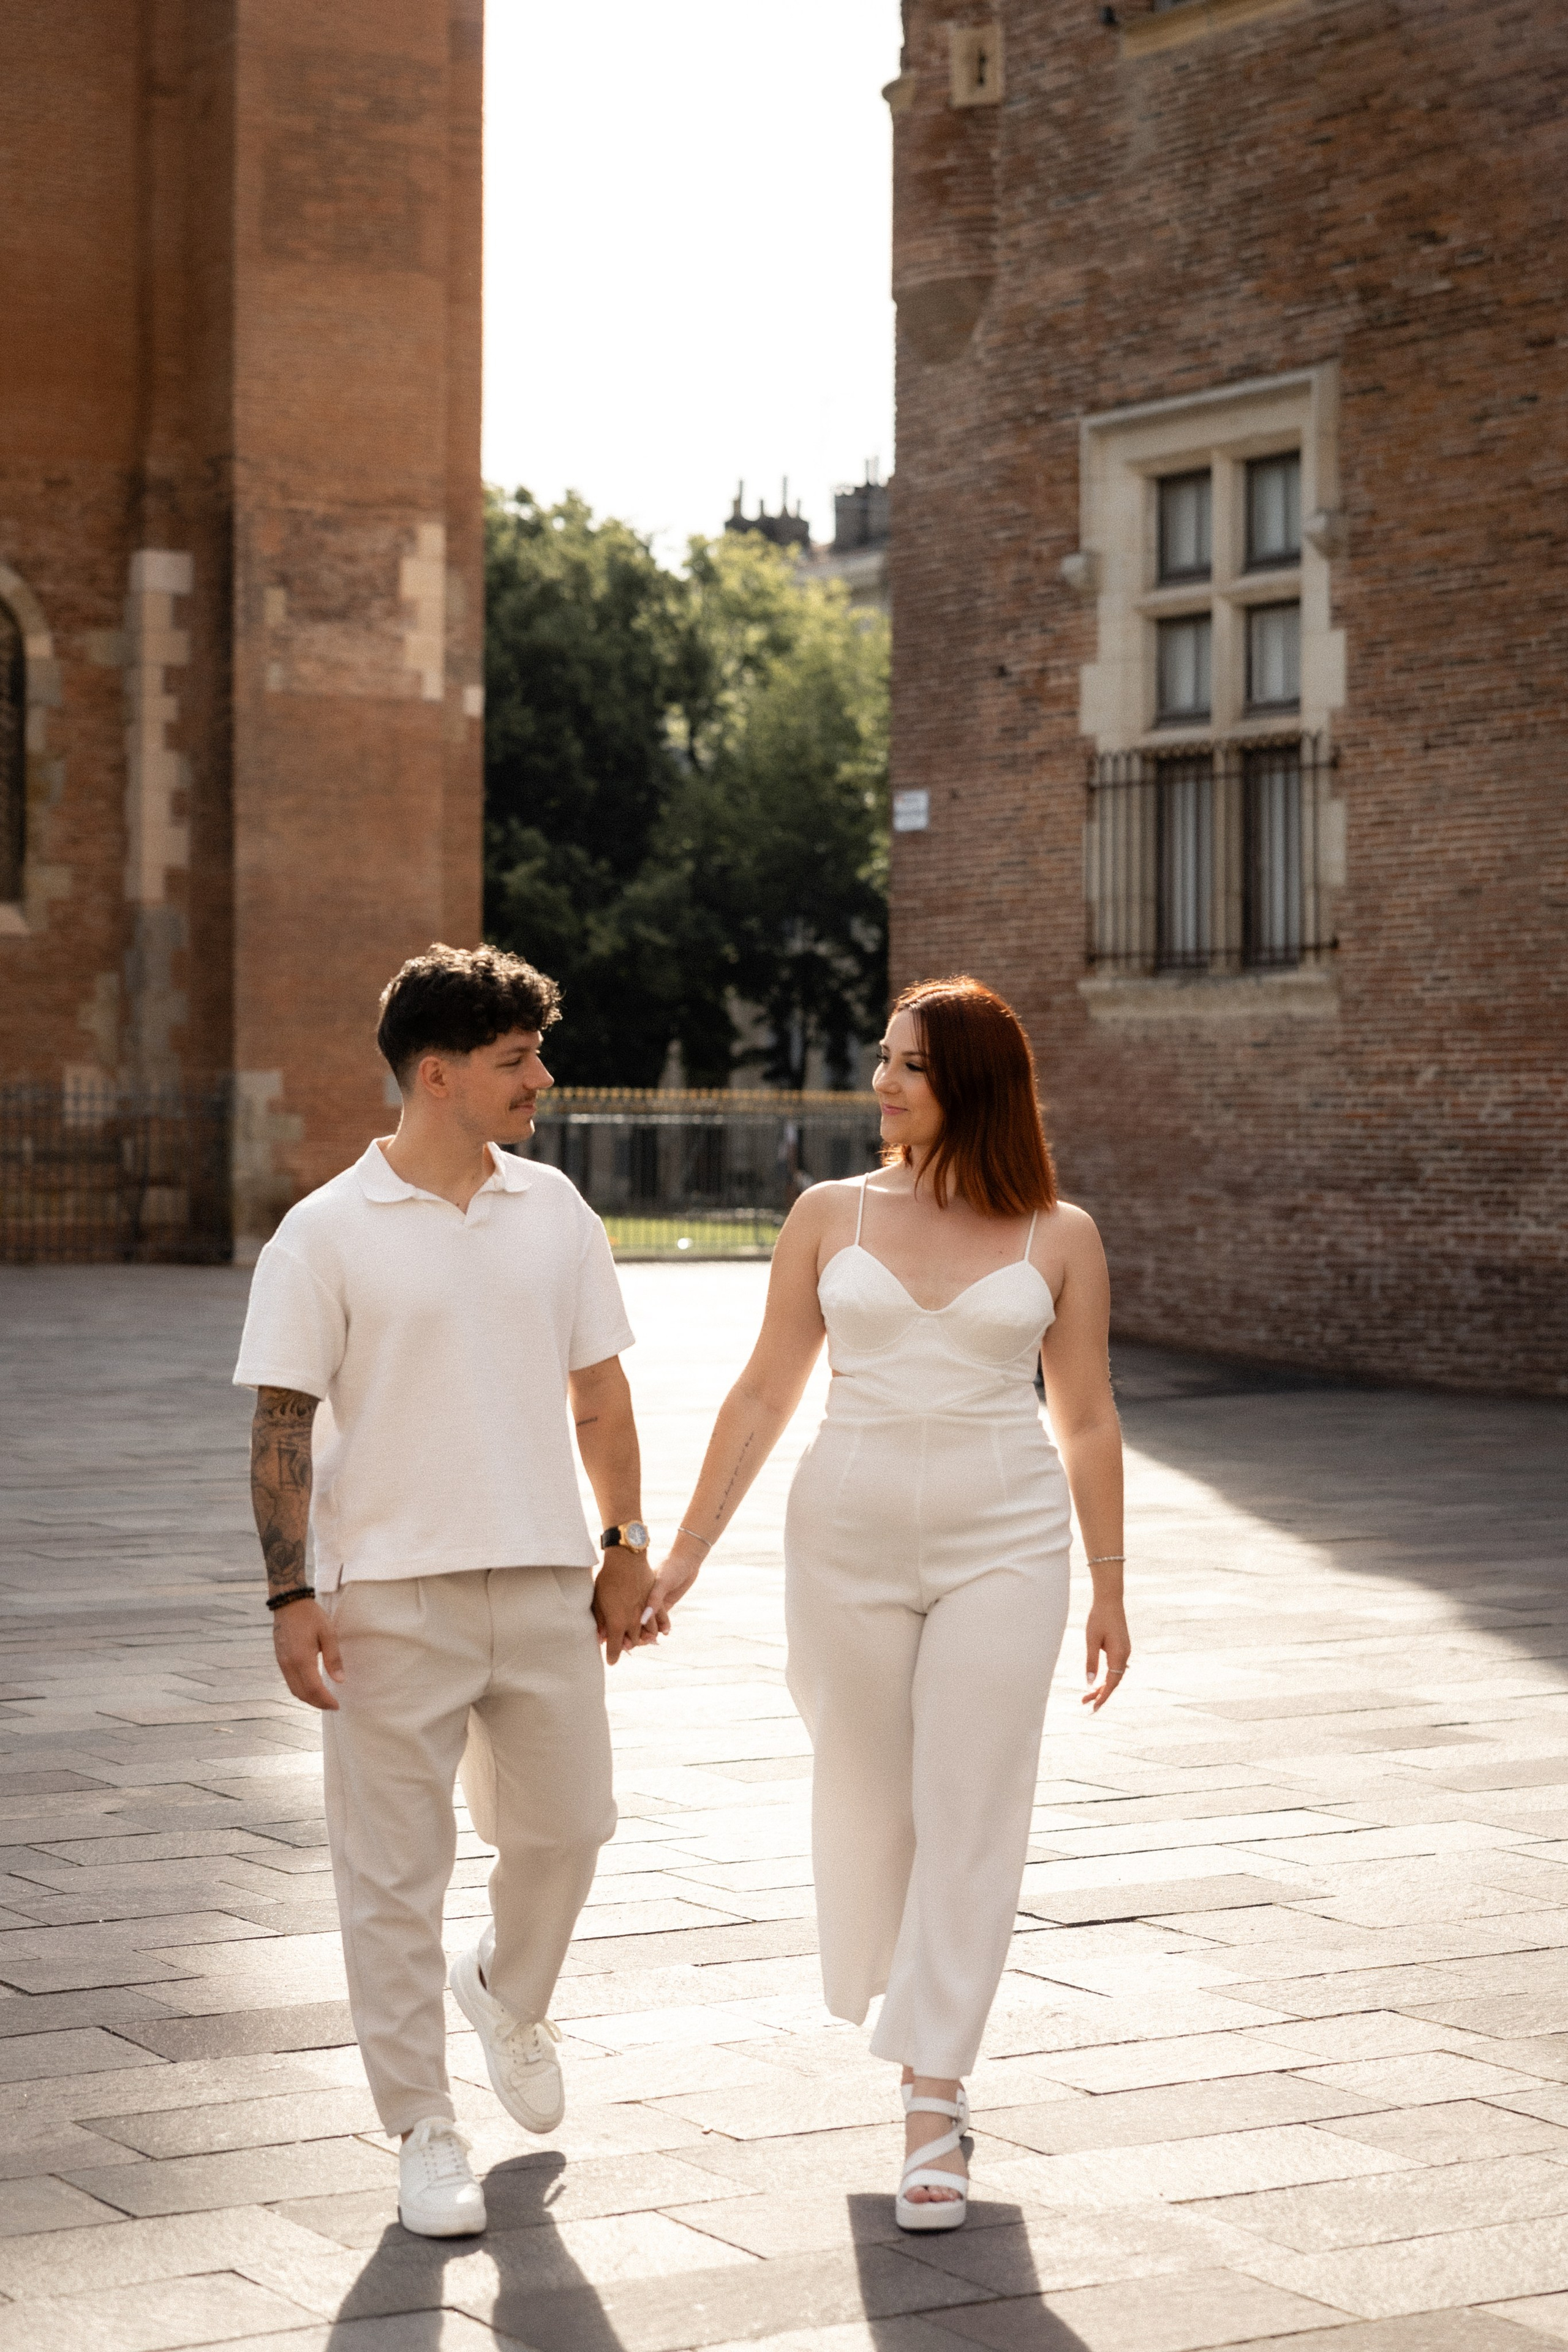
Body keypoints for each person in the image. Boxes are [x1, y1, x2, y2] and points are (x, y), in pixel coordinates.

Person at [643, 975, 1129, 2233]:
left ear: (966, 1081)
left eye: (907, 1063)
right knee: (864, 1788)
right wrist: (680, 1556)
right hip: (842, 1542)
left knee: (970, 1803)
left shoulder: (1057, 1235)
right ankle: (897, 2003)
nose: (881, 1082)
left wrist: (1110, 1585)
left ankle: (933, 2100)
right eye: (881, 1057)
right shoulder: (826, 1214)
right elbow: (758, 1396)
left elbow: (1082, 1418)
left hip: (1006, 1542)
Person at [235, 944, 655, 2239]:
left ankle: (504, 1989)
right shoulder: (324, 1234)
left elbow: (599, 1391)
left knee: (570, 1830)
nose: (540, 1077)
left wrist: (626, 1538)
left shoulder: (555, 1211)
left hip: (540, 1581)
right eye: (513, 1060)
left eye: (533, 1054)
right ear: (436, 1074)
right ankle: (422, 2130)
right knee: (390, 1876)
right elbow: (282, 1422)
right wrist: (289, 1594)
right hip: (388, 1599)